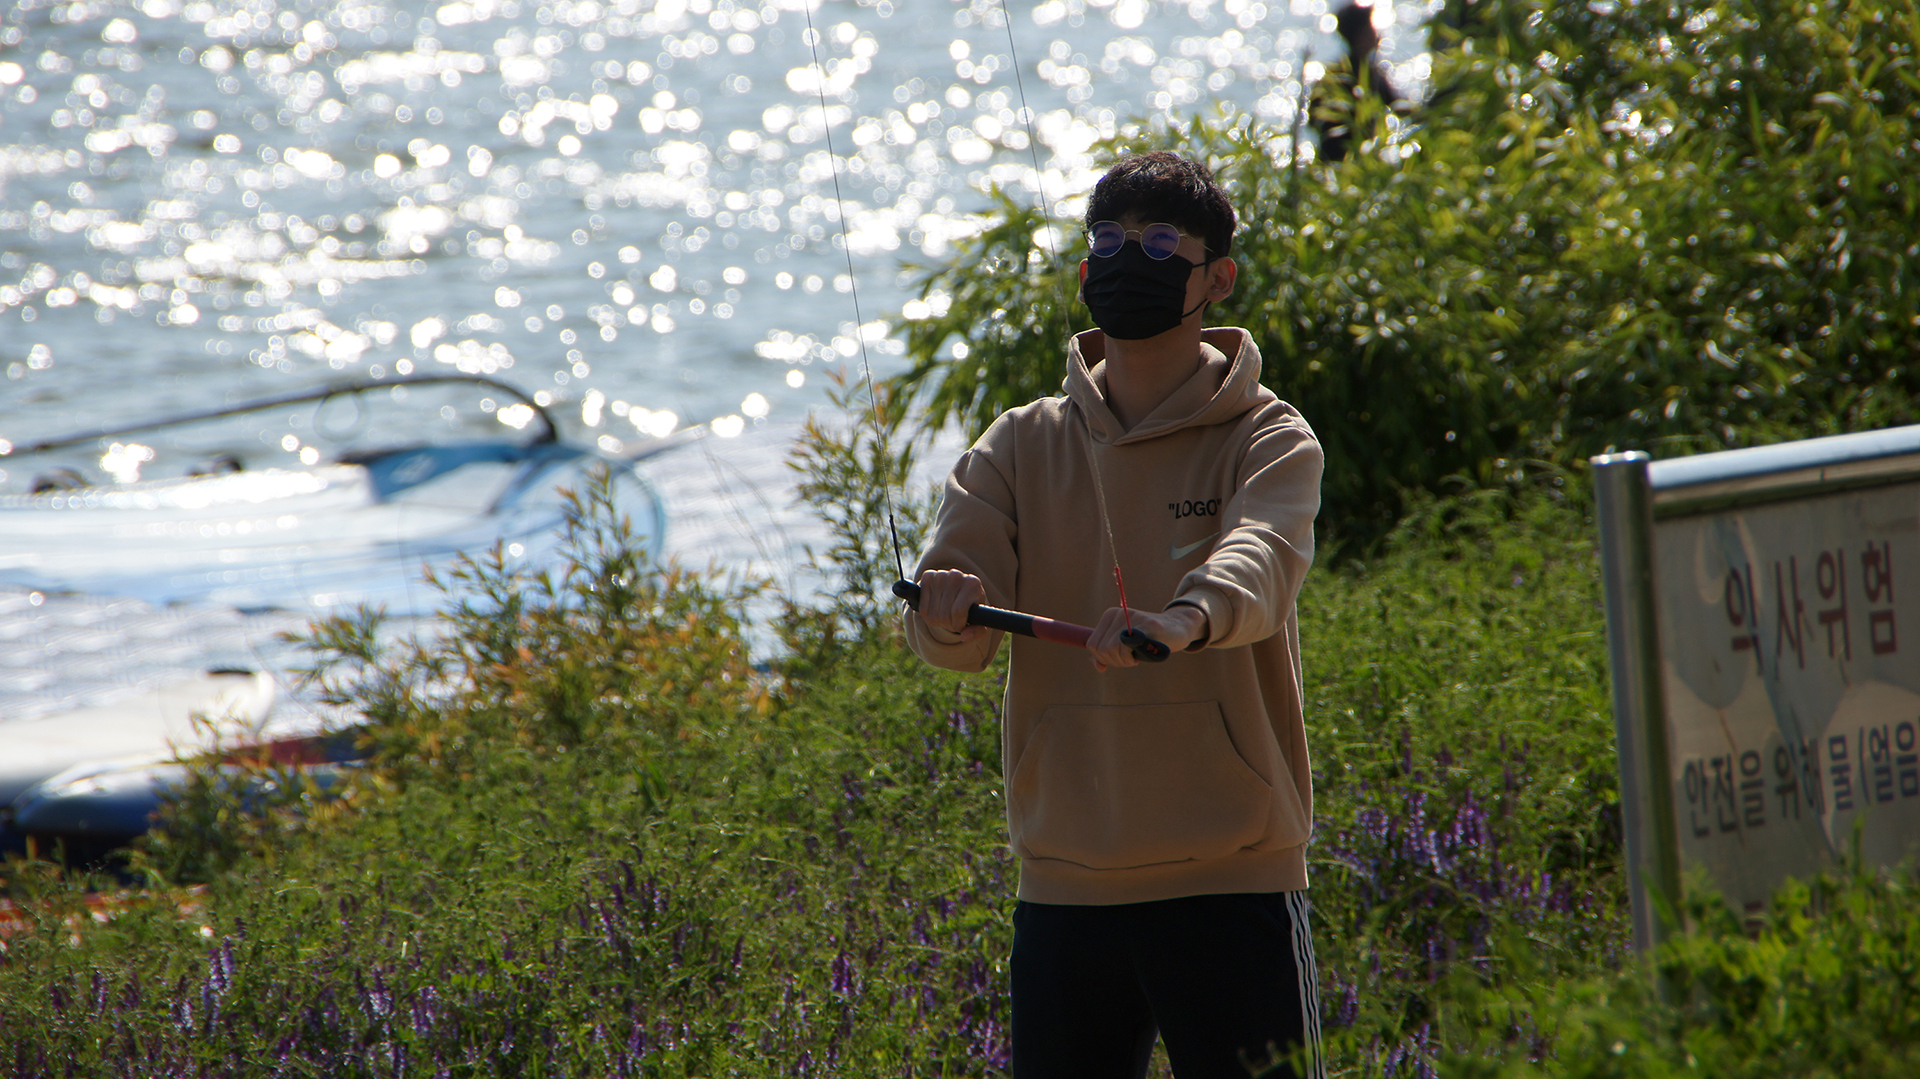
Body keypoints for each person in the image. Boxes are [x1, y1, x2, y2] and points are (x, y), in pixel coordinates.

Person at [903, 151, 1326, 1079]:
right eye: (1108, 239)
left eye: (1162, 242)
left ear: (1217, 277)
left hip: (1235, 880)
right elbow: (954, 622)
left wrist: (1184, 618)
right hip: (1065, 891)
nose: (1129, 258)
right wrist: (946, 609)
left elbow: (1262, 557)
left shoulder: (1268, 434)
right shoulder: (1019, 442)